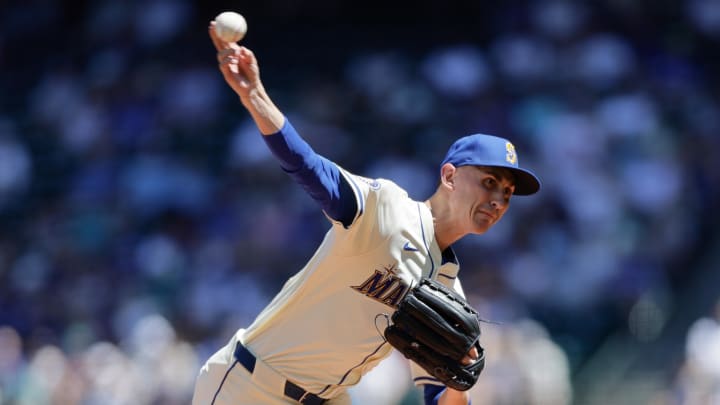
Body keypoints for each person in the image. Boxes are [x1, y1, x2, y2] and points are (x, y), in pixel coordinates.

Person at [194, 21, 541, 405]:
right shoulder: (388, 209)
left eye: (507, 193)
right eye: (489, 181)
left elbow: (438, 398)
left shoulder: (448, 289)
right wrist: (254, 94)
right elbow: (309, 168)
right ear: (450, 176)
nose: (498, 199)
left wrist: (460, 381)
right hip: (252, 386)